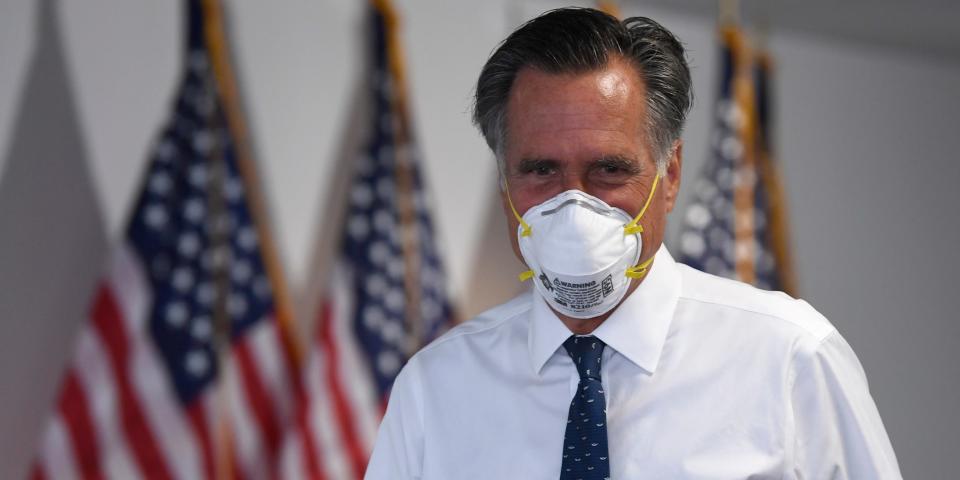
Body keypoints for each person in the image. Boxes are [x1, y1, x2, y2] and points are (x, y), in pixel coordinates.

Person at [365, 7, 901, 479]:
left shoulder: (788, 361)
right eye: (541, 170)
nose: (572, 207)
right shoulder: (436, 392)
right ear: (505, 180)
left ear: (670, 176)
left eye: (608, 169)